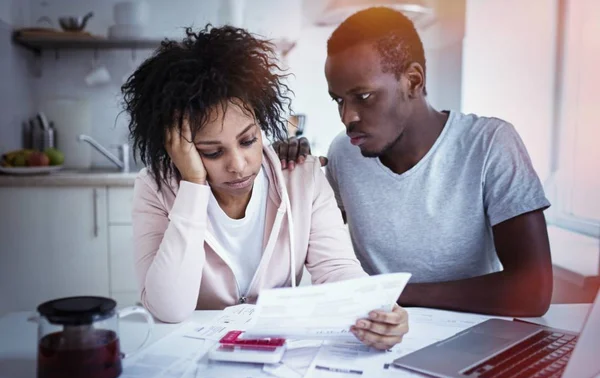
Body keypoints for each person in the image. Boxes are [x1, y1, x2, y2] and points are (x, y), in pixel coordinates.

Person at [121, 25, 408, 350]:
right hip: (188, 354)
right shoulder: (155, 187)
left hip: (275, 354)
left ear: (263, 125)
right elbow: (168, 309)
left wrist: (375, 311)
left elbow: (336, 269)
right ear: (177, 148)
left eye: (248, 140)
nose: (238, 165)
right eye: (212, 152)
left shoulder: (302, 178)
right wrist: (193, 185)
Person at [274, 7, 553, 317]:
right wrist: (284, 175)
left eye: (363, 96)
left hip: (469, 337)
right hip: (374, 333)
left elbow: (534, 291)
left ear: (413, 80)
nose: (347, 117)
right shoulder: (344, 151)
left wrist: (388, 292)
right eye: (338, 100)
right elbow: (316, 248)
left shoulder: (490, 143)